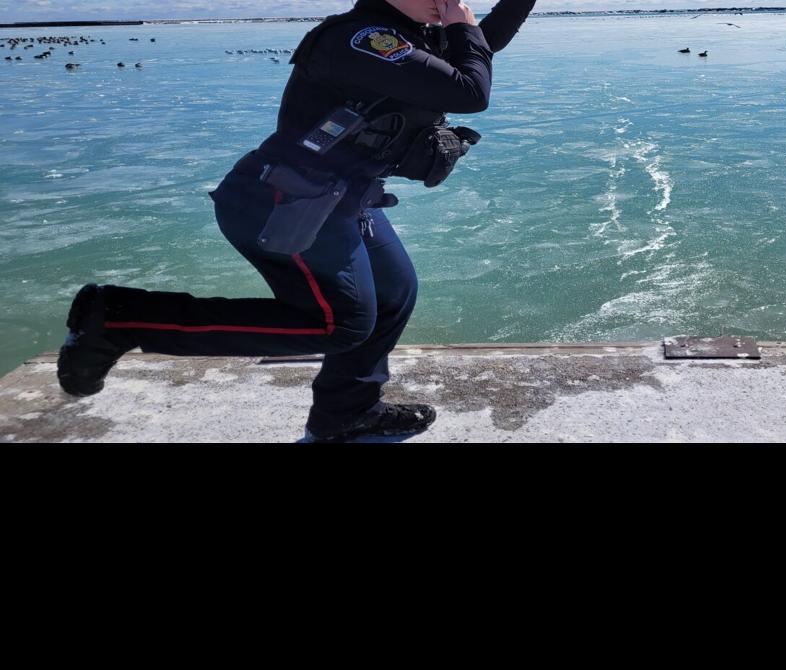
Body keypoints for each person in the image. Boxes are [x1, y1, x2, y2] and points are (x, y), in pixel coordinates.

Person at [57, 0, 538, 442]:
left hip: (342, 200)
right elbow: (470, 90)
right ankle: (120, 317)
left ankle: (348, 412)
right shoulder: (362, 39)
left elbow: (481, 46)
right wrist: (461, 24)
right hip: (285, 201)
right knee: (342, 324)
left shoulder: (405, 34)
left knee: (394, 294)